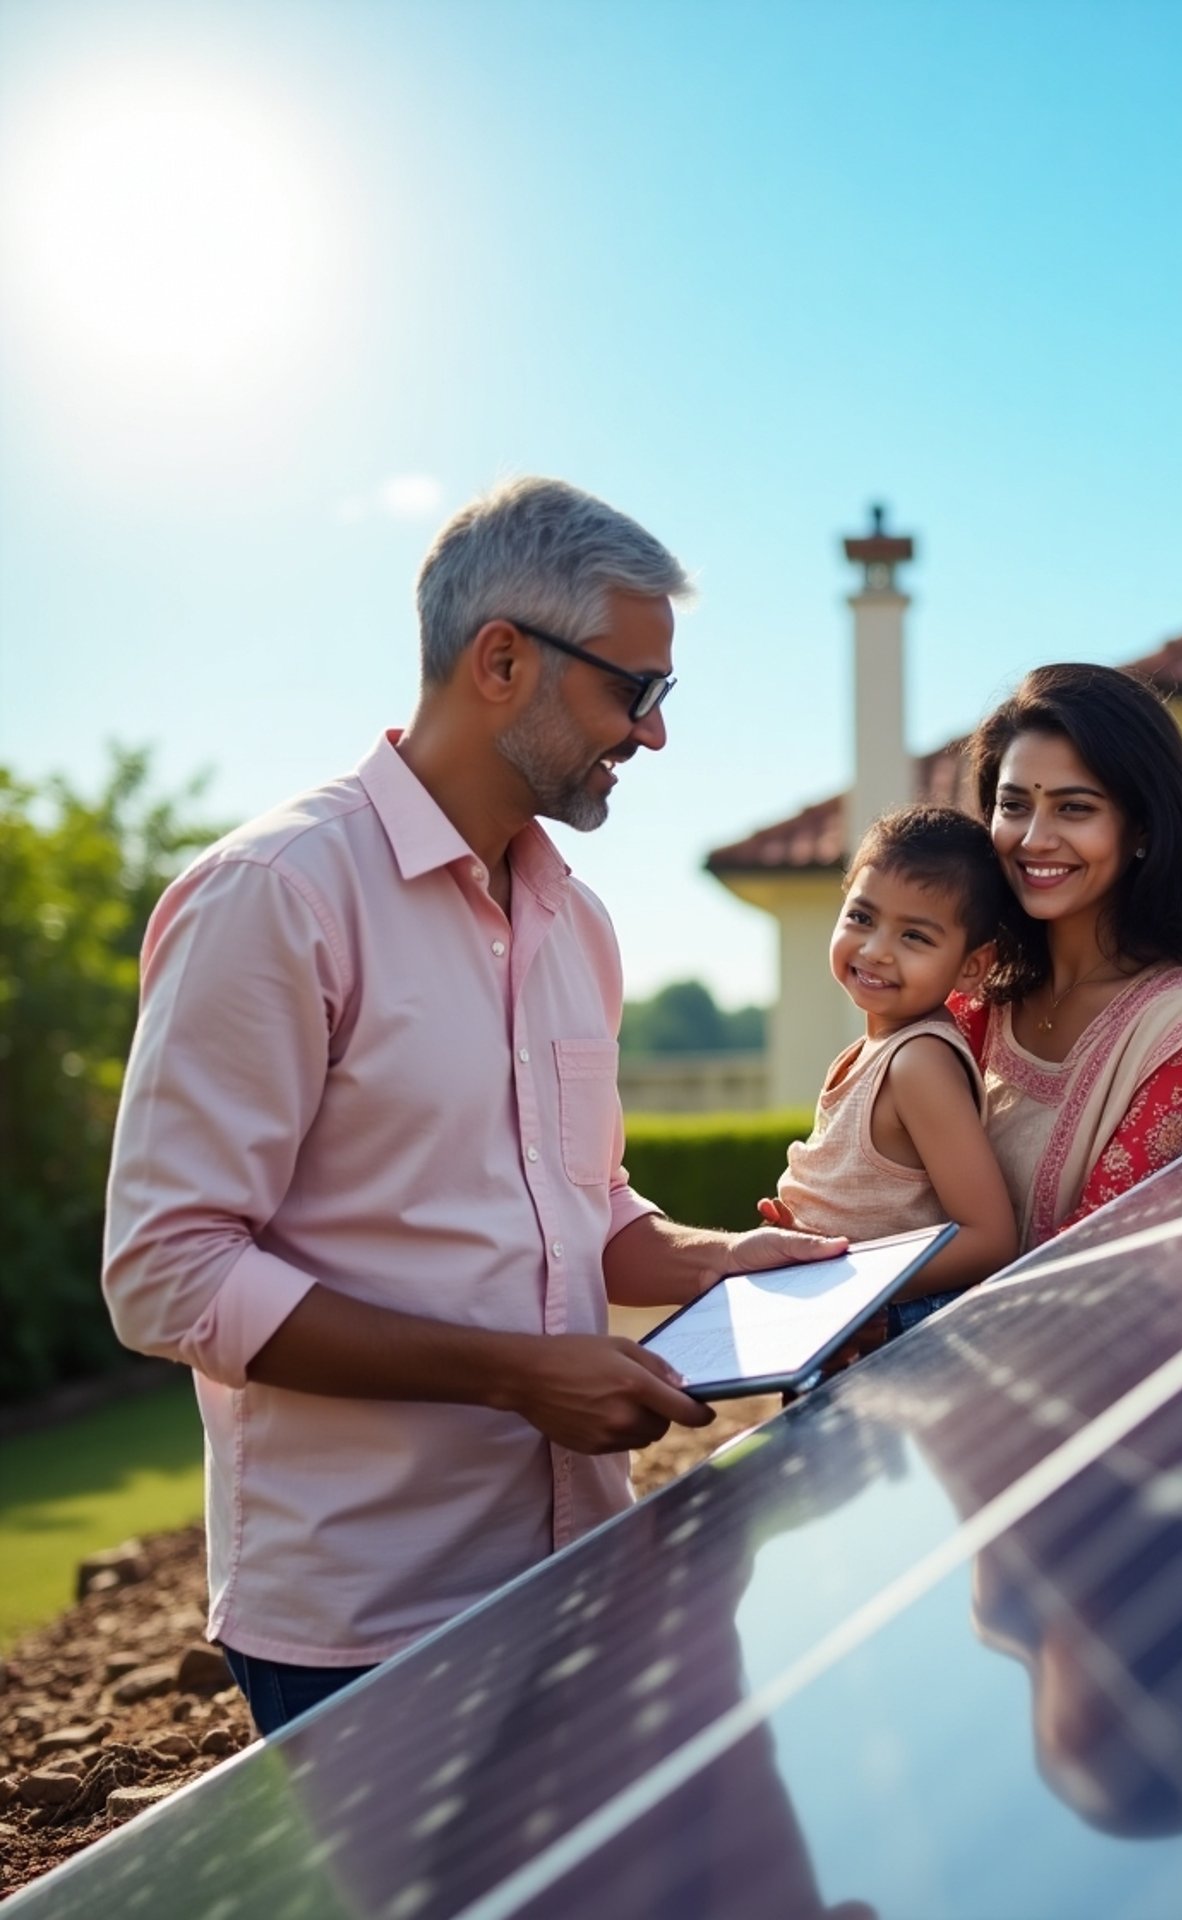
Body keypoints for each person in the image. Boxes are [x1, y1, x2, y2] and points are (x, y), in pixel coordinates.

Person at [101, 477, 842, 1734]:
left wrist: (723, 1263)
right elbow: (167, 1274)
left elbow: (582, 1207)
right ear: (503, 659)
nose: (654, 733)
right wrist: (514, 1377)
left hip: (578, 1562)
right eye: (636, 690)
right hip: (367, 1620)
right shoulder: (275, 896)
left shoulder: (581, 926)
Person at [953, 663, 1182, 1250]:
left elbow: (1098, 1257)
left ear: (1144, 828)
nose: (1034, 839)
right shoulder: (977, 994)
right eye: (1014, 805)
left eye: (1074, 808)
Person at [758, 805, 1020, 1336]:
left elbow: (989, 1239)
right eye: (862, 917)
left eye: (915, 937)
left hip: (886, 1336)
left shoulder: (918, 1062)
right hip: (837, 1321)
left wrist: (845, 1276)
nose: (876, 950)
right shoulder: (869, 1053)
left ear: (972, 966)